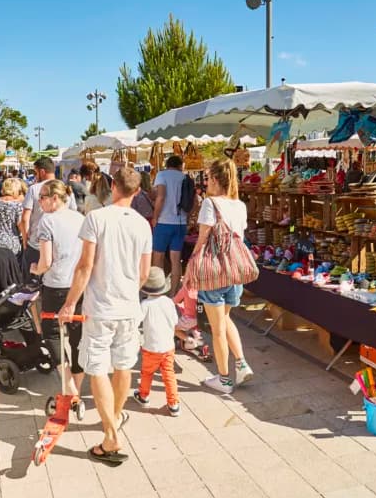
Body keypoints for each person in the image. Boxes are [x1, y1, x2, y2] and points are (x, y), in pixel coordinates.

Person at [58, 166, 152, 465]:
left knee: (97, 366)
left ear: (113, 187)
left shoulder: (96, 219)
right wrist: (129, 290)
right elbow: (144, 272)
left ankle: (111, 434)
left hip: (100, 306)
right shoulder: (142, 225)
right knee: (123, 366)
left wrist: (69, 303)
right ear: (137, 192)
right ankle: (112, 420)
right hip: (128, 306)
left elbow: (85, 267)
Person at [186, 157, 254, 394]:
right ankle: (242, 363)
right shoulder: (240, 205)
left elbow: (202, 240)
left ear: (215, 179)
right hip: (235, 272)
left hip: (214, 271)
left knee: (216, 330)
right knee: (225, 319)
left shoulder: (210, 203)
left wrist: (190, 268)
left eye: (207, 178)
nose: (205, 183)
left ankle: (224, 380)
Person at [30, 180, 87, 419]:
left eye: (42, 197)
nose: (39, 201)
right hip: (79, 285)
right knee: (77, 337)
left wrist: (35, 269)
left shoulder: (47, 221)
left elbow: (46, 261)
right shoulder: (81, 219)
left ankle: (70, 389)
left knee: (52, 334)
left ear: (55, 198)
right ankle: (76, 394)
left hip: (55, 285)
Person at [132, 267, 180, 416]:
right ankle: (173, 404)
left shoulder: (145, 305)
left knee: (146, 373)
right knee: (169, 375)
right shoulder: (168, 302)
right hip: (168, 347)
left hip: (151, 347)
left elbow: (136, 321)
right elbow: (175, 321)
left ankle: (144, 395)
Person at [21, 157, 76, 278]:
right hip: (60, 245)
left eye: (35, 172)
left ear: (42, 171)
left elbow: (25, 218)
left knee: (31, 285)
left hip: (36, 244)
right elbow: (73, 212)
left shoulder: (34, 189)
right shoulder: (64, 188)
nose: (35, 176)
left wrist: (25, 240)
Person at [151, 155, 189, 293]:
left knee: (158, 257)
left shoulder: (162, 175)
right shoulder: (184, 177)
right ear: (180, 165)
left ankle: (157, 290)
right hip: (180, 222)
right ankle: (173, 293)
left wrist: (155, 217)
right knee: (176, 259)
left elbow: (160, 197)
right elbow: (193, 201)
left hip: (164, 221)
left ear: (168, 164)